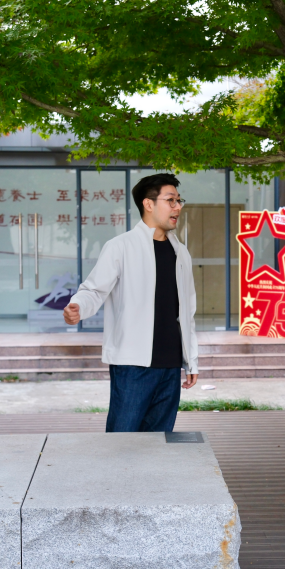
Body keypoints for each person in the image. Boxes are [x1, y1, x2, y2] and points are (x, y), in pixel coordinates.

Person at [63, 173, 199, 432]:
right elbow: (93, 290)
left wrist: (191, 360)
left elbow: (187, 311)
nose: (178, 207)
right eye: (170, 200)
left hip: (171, 364)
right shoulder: (120, 246)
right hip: (132, 364)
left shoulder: (181, 252)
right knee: (121, 440)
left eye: (179, 201)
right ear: (148, 204)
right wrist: (78, 306)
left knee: (158, 443)